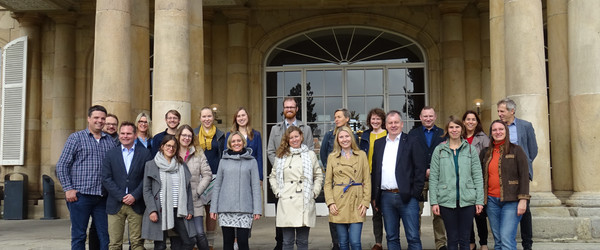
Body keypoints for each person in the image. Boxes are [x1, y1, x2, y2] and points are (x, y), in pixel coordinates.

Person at [56, 105, 117, 250]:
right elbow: (62, 165)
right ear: (89, 119)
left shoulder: (110, 141)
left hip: (102, 197)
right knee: (79, 236)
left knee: (105, 236)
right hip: (80, 196)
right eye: (96, 117)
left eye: (102, 118)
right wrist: (68, 188)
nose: (99, 121)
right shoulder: (76, 138)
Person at [371, 110, 426, 250]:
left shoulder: (412, 141)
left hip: (408, 197)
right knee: (391, 237)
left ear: (402, 124)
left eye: (396, 122)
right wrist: (375, 197)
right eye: (390, 123)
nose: (393, 125)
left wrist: (415, 194)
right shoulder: (379, 144)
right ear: (386, 125)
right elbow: (376, 172)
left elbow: (420, 170)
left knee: (413, 237)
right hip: (386, 198)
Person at [266, 97, 314, 250]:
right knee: (284, 231)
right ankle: (278, 244)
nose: (289, 109)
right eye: (286, 107)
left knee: (302, 239)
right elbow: (271, 151)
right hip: (284, 183)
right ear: (283, 109)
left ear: (297, 109)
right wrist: (282, 167)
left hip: (302, 188)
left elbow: (310, 150)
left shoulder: (305, 128)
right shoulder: (275, 129)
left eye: (292, 107)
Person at [429, 117, 484, 250]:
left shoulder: (470, 150)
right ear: (447, 130)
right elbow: (434, 177)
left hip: (468, 200)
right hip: (446, 200)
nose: (454, 130)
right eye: (451, 127)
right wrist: (434, 201)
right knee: (452, 239)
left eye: (457, 127)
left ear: (462, 129)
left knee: (465, 240)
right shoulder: (439, 150)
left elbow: (477, 176)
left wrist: (479, 201)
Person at [268, 126, 323, 250]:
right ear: (287, 140)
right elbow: (273, 177)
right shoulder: (281, 156)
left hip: (305, 199)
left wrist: (314, 192)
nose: (294, 140)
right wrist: (278, 192)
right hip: (286, 200)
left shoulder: (310, 155)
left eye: (296, 136)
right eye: (291, 137)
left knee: (303, 241)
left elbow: (318, 175)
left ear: (301, 137)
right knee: (287, 241)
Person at [480, 120, 530, 250]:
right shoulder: (485, 153)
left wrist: (523, 200)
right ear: (491, 133)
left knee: (507, 239)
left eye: (501, 129)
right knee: (498, 241)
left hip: (512, 201)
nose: (498, 132)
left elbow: (524, 176)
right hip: (491, 201)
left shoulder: (517, 150)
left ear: (506, 131)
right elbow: (480, 176)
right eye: (494, 130)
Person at [101, 121, 152, 250]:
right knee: (114, 244)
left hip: (137, 203)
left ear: (135, 135)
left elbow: (147, 178)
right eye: (122, 133)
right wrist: (122, 196)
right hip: (115, 204)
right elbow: (106, 178)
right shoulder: (111, 154)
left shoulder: (145, 153)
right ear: (119, 135)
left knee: (137, 244)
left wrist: (134, 195)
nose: (125, 136)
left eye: (128, 133)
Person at [142, 135, 196, 250]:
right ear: (162, 147)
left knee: (188, 242)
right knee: (160, 246)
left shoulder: (181, 165)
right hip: (159, 209)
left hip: (178, 211)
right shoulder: (151, 165)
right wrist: (152, 210)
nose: (171, 149)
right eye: (168, 145)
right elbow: (147, 190)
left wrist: (190, 209)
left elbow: (188, 189)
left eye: (173, 147)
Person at [497, 98, 537, 250]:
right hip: (502, 174)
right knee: (505, 207)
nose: (499, 114)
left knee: (524, 208)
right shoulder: (496, 127)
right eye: (498, 111)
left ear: (512, 111)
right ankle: (507, 241)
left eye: (502, 111)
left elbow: (532, 150)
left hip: (520, 173)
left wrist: (523, 165)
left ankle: (527, 244)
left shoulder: (525, 126)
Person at [210, 132, 262, 250]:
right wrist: (213, 208)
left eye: (239, 141)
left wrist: (257, 209)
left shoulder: (252, 161)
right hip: (226, 208)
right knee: (227, 243)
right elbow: (217, 185)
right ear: (229, 144)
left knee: (243, 242)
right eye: (233, 141)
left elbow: (255, 186)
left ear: (243, 142)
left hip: (244, 209)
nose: (236, 143)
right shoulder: (223, 161)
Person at [324, 126, 371, 250]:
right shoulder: (332, 157)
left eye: (347, 136)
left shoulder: (361, 155)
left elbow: (367, 180)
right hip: (339, 201)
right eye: (341, 137)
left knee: (355, 242)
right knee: (343, 242)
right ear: (337, 140)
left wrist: (365, 202)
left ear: (352, 137)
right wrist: (330, 202)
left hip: (357, 201)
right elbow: (328, 183)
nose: (344, 139)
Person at [408, 106, 447, 250]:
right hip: (419, 179)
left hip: (439, 179)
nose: (428, 118)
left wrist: (434, 170)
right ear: (420, 117)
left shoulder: (443, 134)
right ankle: (415, 242)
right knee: (415, 211)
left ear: (435, 117)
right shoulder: (413, 134)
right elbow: (409, 156)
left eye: (430, 116)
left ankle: (441, 243)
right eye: (425, 116)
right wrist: (422, 170)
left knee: (439, 212)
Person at [320, 108, 357, 250]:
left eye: (339, 117)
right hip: (336, 183)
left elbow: (357, 155)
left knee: (351, 216)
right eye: (335, 117)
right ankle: (336, 244)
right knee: (335, 213)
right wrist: (331, 171)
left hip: (352, 185)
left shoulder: (353, 136)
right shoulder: (329, 136)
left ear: (347, 119)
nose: (336, 119)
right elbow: (324, 155)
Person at [193, 106, 226, 248]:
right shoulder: (193, 133)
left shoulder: (220, 135)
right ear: (200, 118)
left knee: (211, 211)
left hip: (215, 175)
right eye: (204, 116)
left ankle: (210, 243)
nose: (207, 119)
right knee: (196, 209)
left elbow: (223, 156)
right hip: (197, 176)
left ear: (213, 117)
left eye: (209, 116)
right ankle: (196, 242)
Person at [177, 125, 212, 250]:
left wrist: (198, 191)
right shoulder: (172, 151)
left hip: (194, 199)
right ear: (179, 136)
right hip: (177, 201)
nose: (186, 138)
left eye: (189, 136)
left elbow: (207, 174)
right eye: (184, 135)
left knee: (199, 233)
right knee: (183, 236)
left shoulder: (198, 152)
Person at [358, 108, 387, 250]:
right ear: (369, 121)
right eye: (373, 119)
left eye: (378, 119)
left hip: (383, 175)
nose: (375, 121)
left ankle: (392, 238)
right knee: (375, 210)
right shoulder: (365, 135)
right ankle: (378, 242)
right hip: (367, 175)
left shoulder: (388, 134)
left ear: (382, 120)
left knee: (384, 209)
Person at [462, 110, 490, 250]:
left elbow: (487, 159)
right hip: (463, 181)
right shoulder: (459, 137)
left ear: (477, 122)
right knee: (466, 215)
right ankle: (471, 241)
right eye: (468, 119)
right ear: (463, 122)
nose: (470, 122)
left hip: (478, 180)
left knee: (479, 214)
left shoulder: (483, 138)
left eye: (473, 119)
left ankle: (483, 243)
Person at [225, 107, 264, 181]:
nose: (241, 118)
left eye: (243, 115)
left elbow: (259, 157)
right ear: (235, 119)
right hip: (234, 172)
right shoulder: (229, 135)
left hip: (251, 173)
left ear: (248, 117)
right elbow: (225, 155)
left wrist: (260, 177)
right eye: (238, 116)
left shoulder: (256, 135)